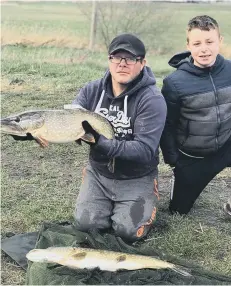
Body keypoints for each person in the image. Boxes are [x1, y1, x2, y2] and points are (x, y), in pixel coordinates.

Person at [71, 33, 167, 242]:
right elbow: (70, 120)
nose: (122, 64)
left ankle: (147, 195)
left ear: (142, 63)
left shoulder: (152, 100)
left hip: (137, 177)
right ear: (109, 60)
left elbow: (144, 150)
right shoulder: (91, 91)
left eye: (130, 59)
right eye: (117, 57)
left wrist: (101, 143)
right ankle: (97, 195)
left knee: (127, 232)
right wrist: (35, 132)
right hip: (99, 173)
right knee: (86, 225)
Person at [160, 15, 231, 215]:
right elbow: (167, 125)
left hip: (226, 146)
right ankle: (181, 183)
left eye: (210, 42)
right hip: (193, 156)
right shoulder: (175, 83)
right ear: (188, 45)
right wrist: (174, 160)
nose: (204, 49)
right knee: (178, 212)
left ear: (220, 41)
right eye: (197, 43)